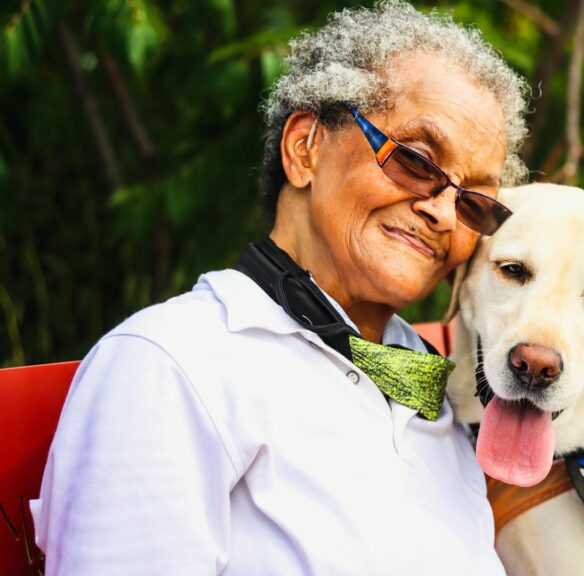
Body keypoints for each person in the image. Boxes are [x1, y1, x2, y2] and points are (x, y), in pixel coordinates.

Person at [30, 2, 529, 574]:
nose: (443, 212)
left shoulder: (440, 384)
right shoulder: (172, 363)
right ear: (304, 147)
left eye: (474, 201)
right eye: (415, 160)